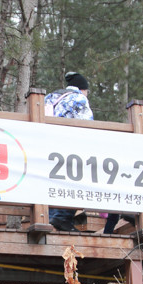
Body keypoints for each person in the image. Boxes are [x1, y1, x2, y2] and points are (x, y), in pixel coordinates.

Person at [46, 72, 94, 231]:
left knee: (53, 181)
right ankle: (62, 218)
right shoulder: (79, 99)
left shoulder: (51, 97)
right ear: (83, 89)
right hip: (71, 147)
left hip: (48, 146)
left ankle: (50, 217)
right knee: (75, 180)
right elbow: (88, 125)